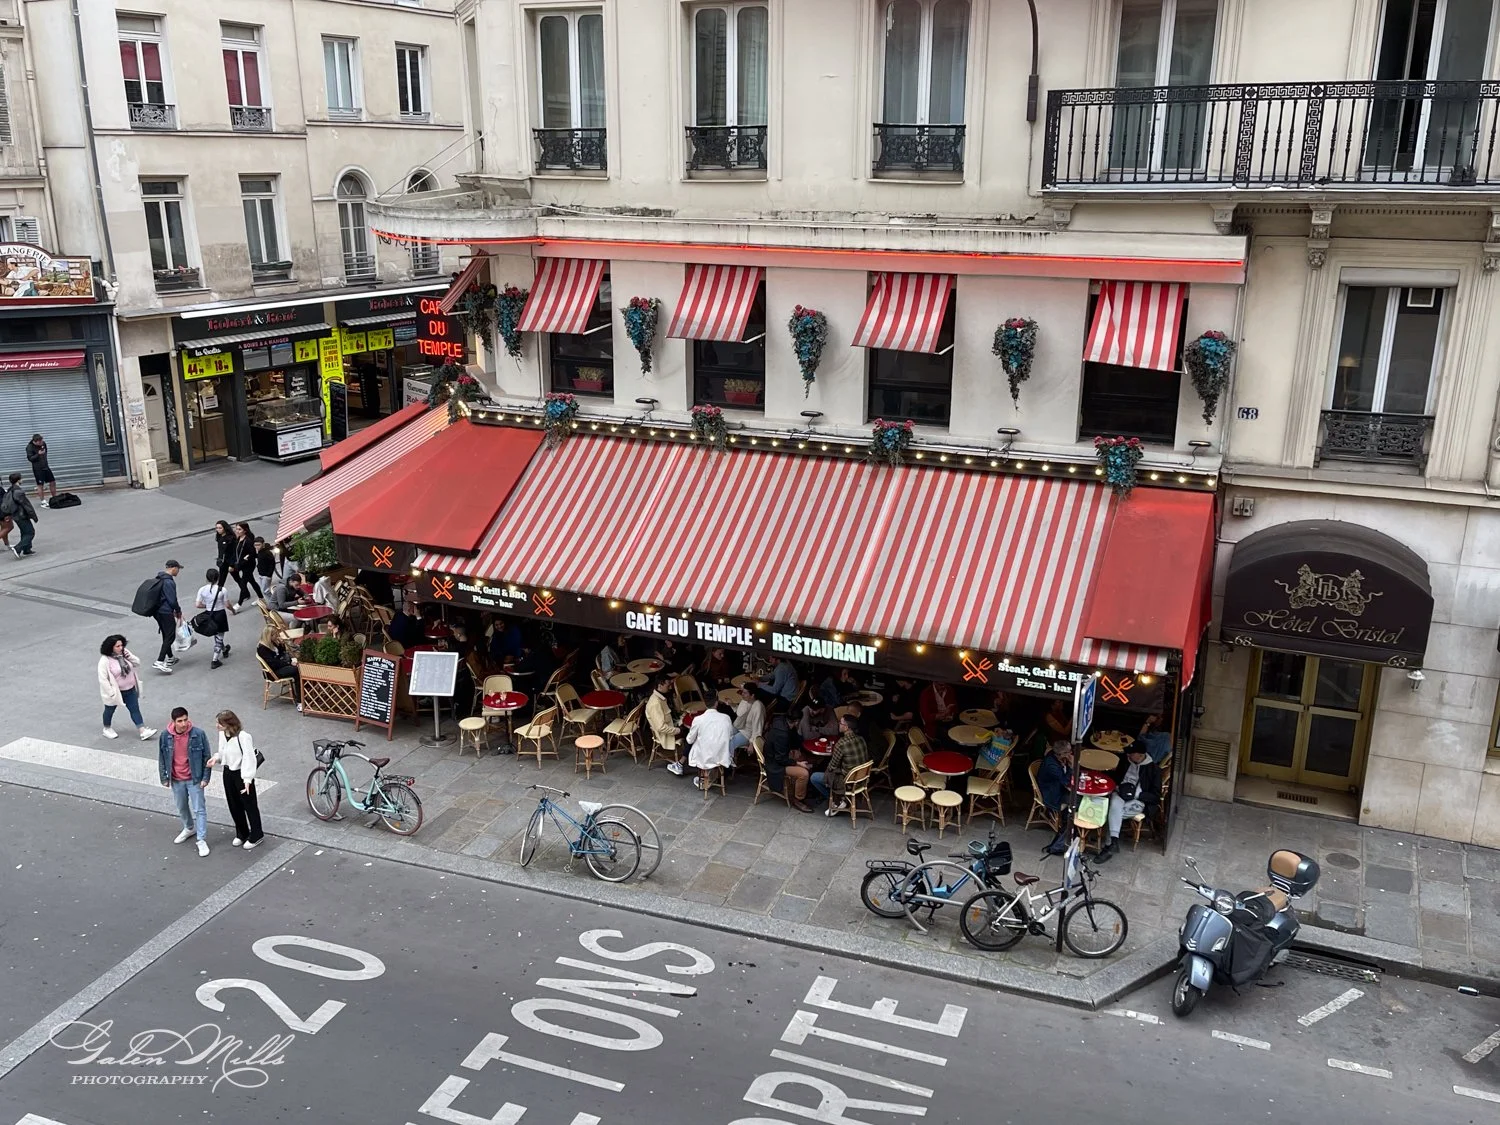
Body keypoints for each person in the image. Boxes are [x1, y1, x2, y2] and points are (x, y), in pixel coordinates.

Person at [157, 707, 211, 856]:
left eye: (185, 719)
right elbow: (162, 757)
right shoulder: (165, 736)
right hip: (176, 779)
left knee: (199, 809)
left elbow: (207, 757)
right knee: (181, 806)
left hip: (194, 778)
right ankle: (189, 827)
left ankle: (201, 839)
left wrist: (205, 778)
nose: (183, 723)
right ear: (173, 722)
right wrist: (164, 777)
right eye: (180, 721)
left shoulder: (198, 734)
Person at [1096, 746, 1163, 863]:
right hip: (1120, 794)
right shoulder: (1125, 762)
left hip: (1138, 801)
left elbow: (1155, 796)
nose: (1128, 755)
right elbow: (1116, 777)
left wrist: (1137, 794)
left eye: (1131, 754)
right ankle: (1113, 843)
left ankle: (1110, 845)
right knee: (1114, 805)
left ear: (1140, 755)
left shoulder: (1154, 770)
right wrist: (1117, 787)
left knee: (1110, 813)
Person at [209, 710, 263, 850]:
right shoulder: (223, 734)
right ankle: (242, 832)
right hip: (228, 772)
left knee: (249, 805)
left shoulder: (244, 737)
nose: (217, 726)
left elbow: (248, 758)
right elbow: (222, 751)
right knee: (233, 804)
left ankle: (257, 834)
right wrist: (216, 758)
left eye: (219, 723)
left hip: (241, 773)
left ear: (228, 724)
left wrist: (247, 779)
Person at [97, 634, 156, 741]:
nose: (121, 648)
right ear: (111, 647)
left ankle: (142, 730)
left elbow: (137, 663)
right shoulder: (105, 660)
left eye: (121, 645)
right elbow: (103, 679)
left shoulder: (124, 654)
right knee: (109, 710)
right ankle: (107, 728)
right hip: (116, 692)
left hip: (130, 689)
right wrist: (111, 693)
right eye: (117, 646)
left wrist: (129, 656)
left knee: (135, 710)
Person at [811, 710, 870, 815]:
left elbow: (832, 766)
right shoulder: (861, 739)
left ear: (846, 728)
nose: (839, 724)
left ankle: (837, 800)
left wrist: (827, 774)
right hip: (861, 779)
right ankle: (840, 799)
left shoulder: (841, 744)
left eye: (841, 723)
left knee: (814, 777)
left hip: (847, 781)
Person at [762, 700, 812, 812]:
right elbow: (780, 759)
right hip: (775, 764)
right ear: (797, 721)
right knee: (804, 773)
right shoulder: (782, 734)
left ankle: (800, 787)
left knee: (803, 758)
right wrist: (797, 763)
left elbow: (793, 740)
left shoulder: (780, 721)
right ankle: (798, 799)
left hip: (779, 756)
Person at [684, 701, 734, 790]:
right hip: (721, 756)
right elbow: (730, 736)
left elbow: (689, 739)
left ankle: (705, 778)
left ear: (705, 704)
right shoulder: (726, 718)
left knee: (697, 743)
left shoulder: (698, 719)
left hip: (704, 757)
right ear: (716, 703)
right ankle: (711, 777)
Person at [195, 568, 232, 669]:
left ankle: (224, 650)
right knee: (219, 636)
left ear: (206, 578)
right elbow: (227, 604)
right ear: (218, 577)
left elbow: (198, 604)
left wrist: (208, 606)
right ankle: (215, 660)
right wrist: (233, 610)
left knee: (216, 633)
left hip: (209, 614)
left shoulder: (201, 590)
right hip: (220, 614)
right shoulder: (222, 590)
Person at [151, 560, 184, 672]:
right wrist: (178, 610)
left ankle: (170, 657)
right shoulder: (169, 582)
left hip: (157, 611)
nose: (178, 571)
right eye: (178, 569)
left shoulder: (159, 578)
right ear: (173, 568)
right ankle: (159, 661)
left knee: (166, 634)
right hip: (165, 611)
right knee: (170, 635)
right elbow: (172, 600)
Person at [257, 627, 301, 709]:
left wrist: (281, 644)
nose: (277, 636)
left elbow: (282, 653)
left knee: (298, 665)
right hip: (273, 672)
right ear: (270, 636)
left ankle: (301, 692)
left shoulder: (273, 642)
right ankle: (300, 701)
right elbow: (273, 663)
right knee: (297, 670)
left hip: (280, 665)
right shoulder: (262, 648)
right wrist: (288, 663)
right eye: (275, 635)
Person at [648, 676, 683, 773]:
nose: (670, 687)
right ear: (660, 685)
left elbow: (678, 710)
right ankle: (681, 763)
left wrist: (676, 699)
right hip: (667, 733)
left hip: (673, 724)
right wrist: (679, 730)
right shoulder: (655, 703)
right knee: (692, 734)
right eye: (668, 685)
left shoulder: (664, 696)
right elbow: (661, 727)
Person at [2, 472, 37, 557]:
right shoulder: (19, 492)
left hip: (15, 515)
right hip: (21, 515)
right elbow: (26, 505)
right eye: (21, 478)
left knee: (24, 532)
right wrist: (33, 516)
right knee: (30, 532)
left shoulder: (10, 491)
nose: (22, 480)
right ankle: (18, 548)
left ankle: (27, 549)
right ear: (18, 480)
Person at [1037, 740, 1075, 817]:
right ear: (1061, 754)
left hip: (1058, 786)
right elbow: (1065, 781)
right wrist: (1071, 767)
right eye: (1068, 752)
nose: (1071, 753)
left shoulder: (1060, 757)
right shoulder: (1051, 765)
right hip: (1052, 794)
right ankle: (1066, 823)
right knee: (1076, 800)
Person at [229, 522, 262, 607]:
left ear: (245, 530)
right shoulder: (238, 539)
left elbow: (252, 554)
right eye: (236, 529)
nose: (237, 531)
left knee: (243, 584)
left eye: (239, 529)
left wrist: (244, 560)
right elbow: (235, 553)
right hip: (241, 565)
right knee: (252, 581)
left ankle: (239, 604)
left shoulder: (248, 541)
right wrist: (233, 564)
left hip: (249, 565)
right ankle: (261, 598)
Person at [730, 684, 766, 756]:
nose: (742, 694)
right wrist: (732, 704)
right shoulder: (746, 701)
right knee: (724, 735)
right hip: (740, 726)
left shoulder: (758, 707)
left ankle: (727, 763)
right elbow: (741, 713)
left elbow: (757, 729)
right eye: (742, 692)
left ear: (752, 695)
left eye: (745, 693)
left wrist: (752, 744)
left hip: (748, 733)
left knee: (730, 743)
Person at [25, 434, 56, 501]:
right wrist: (38, 454)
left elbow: (45, 452)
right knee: (40, 485)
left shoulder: (43, 443)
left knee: (52, 482)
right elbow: (30, 459)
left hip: (45, 466)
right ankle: (43, 501)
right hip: (38, 469)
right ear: (35, 441)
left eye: (42, 441)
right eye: (40, 442)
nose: (42, 443)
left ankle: (54, 497)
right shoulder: (29, 447)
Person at [211, 520, 234, 594]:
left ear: (224, 528)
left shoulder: (230, 538)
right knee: (221, 579)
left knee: (235, 578)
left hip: (229, 562)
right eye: (217, 528)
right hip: (223, 562)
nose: (218, 530)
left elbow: (232, 552)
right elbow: (220, 551)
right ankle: (218, 594)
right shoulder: (219, 537)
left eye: (220, 528)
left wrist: (231, 565)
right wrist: (219, 559)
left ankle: (245, 592)